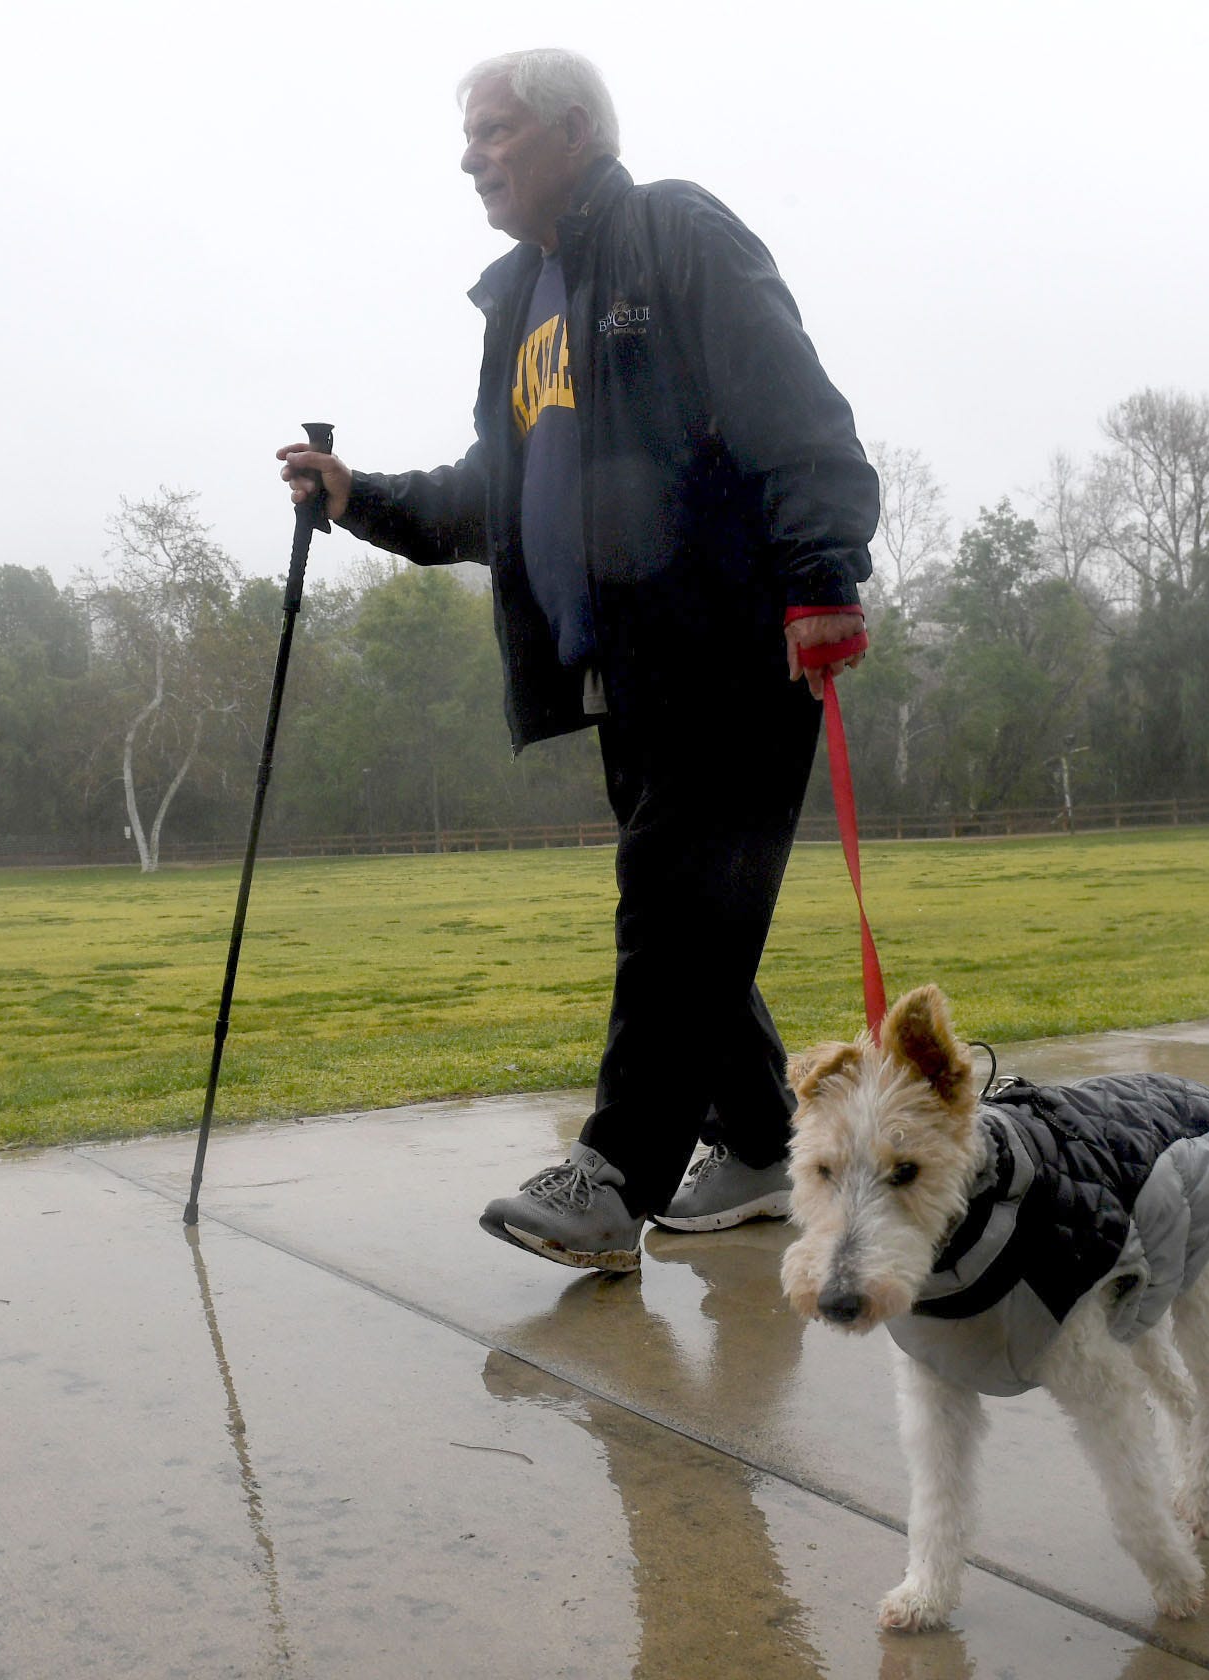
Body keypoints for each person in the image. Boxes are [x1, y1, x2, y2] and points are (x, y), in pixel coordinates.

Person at [275, 47, 877, 1272]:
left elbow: (793, 405)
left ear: (571, 131)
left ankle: (612, 1178)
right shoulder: (524, 303)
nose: (470, 156)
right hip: (623, 675)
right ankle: (761, 1141)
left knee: (670, 915)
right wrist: (357, 497)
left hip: (727, 642)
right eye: (469, 135)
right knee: (691, 922)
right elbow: (491, 496)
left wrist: (821, 576)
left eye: (494, 131)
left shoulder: (670, 232)